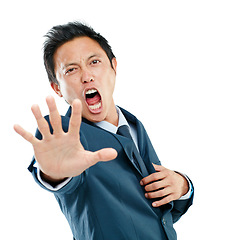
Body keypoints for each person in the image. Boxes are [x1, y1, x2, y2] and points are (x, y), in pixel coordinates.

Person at [14, 22, 194, 240]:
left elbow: (159, 214)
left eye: (94, 62)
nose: (87, 76)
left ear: (114, 67)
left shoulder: (134, 125)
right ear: (57, 88)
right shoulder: (63, 133)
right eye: (71, 70)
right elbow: (60, 174)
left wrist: (183, 186)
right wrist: (53, 174)